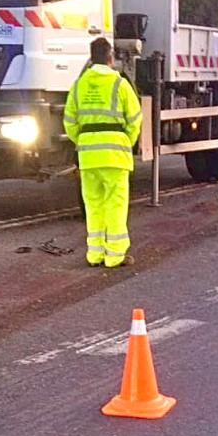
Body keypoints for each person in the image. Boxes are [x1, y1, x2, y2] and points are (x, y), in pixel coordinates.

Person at [63, 38, 142, 268]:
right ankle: (115, 255)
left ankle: (94, 254)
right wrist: (126, 141)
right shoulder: (120, 84)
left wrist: (84, 141)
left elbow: (69, 122)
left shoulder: (79, 85)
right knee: (115, 205)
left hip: (88, 156)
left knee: (93, 206)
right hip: (115, 155)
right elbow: (135, 119)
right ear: (110, 58)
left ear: (91, 56)